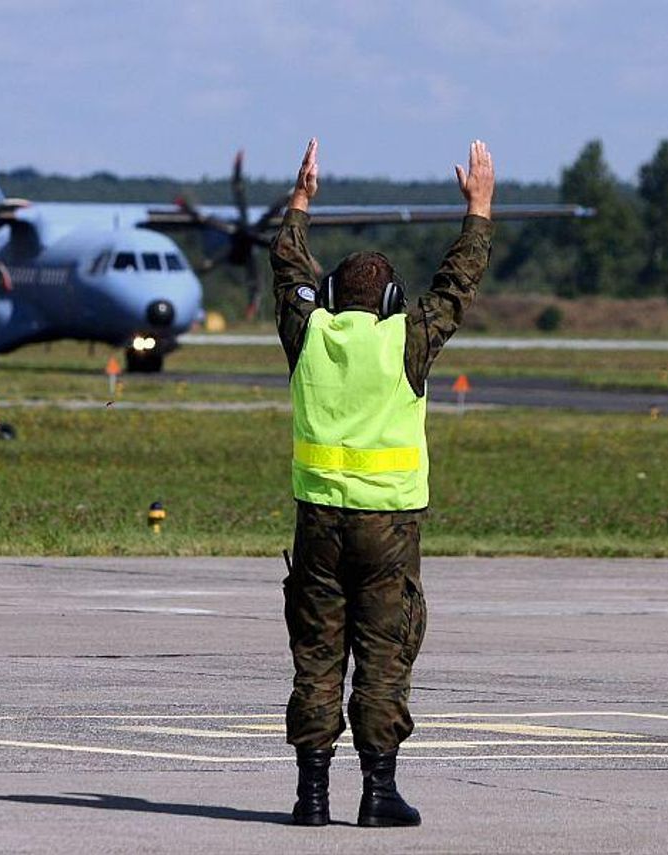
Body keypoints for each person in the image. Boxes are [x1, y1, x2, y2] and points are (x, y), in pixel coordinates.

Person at [270, 138, 495, 827]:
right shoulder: (409, 338)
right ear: (393, 301)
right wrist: (479, 209)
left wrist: (301, 201)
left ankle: (310, 797)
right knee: (384, 653)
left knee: (317, 654)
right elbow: (457, 284)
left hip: (319, 522)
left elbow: (287, 268)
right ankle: (377, 792)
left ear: (333, 296)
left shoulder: (309, 333)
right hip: (389, 529)